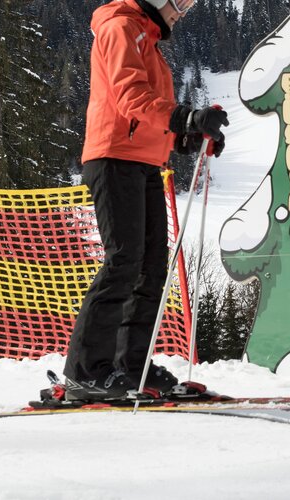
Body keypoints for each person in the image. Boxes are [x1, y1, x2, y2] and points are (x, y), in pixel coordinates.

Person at [63, 0, 229, 400]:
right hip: (114, 157)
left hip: (145, 161)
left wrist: (186, 137)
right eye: (180, 2)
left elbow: (148, 117)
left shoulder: (146, 37)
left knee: (151, 267)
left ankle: (131, 365)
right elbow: (130, 96)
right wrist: (185, 118)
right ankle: (85, 371)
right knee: (124, 260)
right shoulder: (120, 27)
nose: (182, 12)